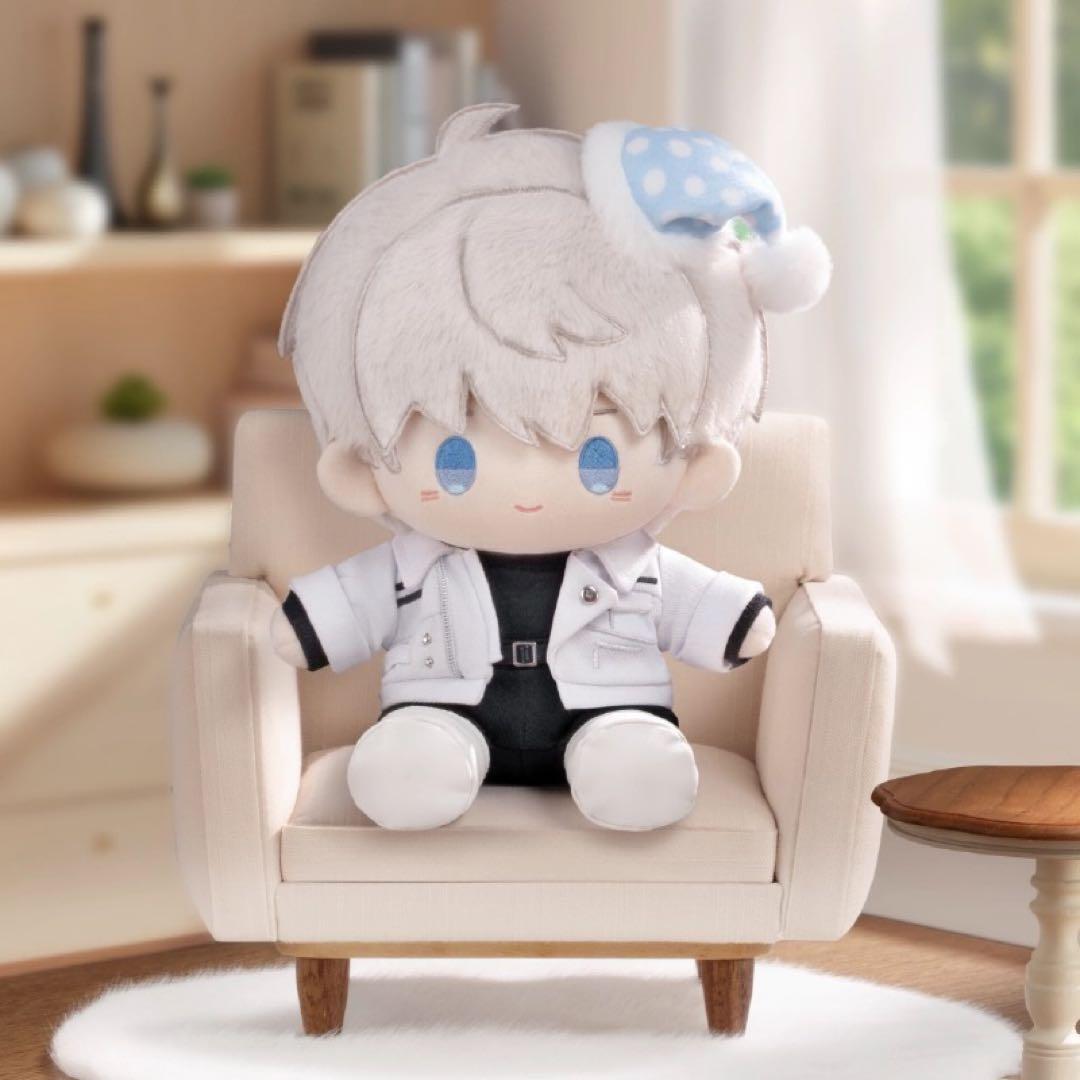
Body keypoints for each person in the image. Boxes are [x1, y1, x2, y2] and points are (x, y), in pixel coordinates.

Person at [271, 104, 831, 832]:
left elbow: (718, 615)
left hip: (610, 713)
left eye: (598, 456)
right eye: (456, 457)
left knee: (634, 765)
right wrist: (305, 628)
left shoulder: (639, 568)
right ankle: (422, 765)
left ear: (696, 466)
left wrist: (737, 621)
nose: (530, 487)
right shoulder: (412, 567)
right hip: (441, 711)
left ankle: (626, 765)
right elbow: (337, 610)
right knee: (409, 764)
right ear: (361, 471)